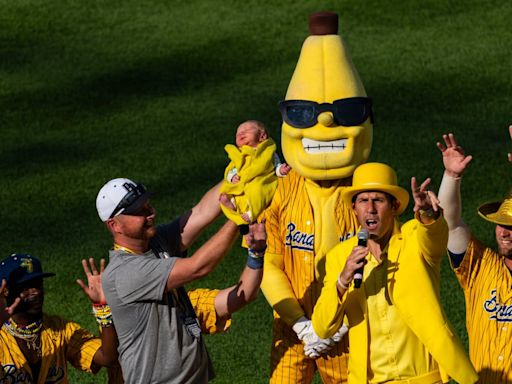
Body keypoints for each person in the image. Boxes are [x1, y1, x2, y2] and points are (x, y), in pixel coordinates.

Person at [312, 162, 478, 384]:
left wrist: (428, 213)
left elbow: (435, 238)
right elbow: (322, 328)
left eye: (378, 200)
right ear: (354, 209)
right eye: (363, 200)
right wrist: (342, 281)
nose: (370, 208)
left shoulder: (413, 237)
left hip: (425, 379)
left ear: (394, 206)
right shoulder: (339, 257)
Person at [96, 177, 266, 383]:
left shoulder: (155, 243)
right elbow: (198, 268)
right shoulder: (124, 273)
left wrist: (239, 171)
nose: (150, 213)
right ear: (115, 225)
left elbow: (202, 212)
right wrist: (238, 220)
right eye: (139, 210)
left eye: (147, 204)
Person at [437, 132, 512, 383]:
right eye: (501, 224)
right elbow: (451, 223)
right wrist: (451, 177)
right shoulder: (480, 267)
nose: (504, 232)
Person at [0, 253, 118, 382]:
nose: (36, 292)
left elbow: (108, 357)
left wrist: (102, 308)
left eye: (38, 284)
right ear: (5, 291)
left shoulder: (61, 329)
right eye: (26, 286)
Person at [220, 120, 290, 225]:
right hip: (241, 181)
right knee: (231, 191)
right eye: (237, 133)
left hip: (261, 181)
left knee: (258, 191)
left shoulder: (268, 152)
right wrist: (232, 176)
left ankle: (252, 213)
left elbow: (275, 166)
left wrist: (281, 170)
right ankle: (233, 205)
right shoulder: (239, 153)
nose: (241, 133)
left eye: (246, 130)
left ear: (262, 136)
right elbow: (232, 168)